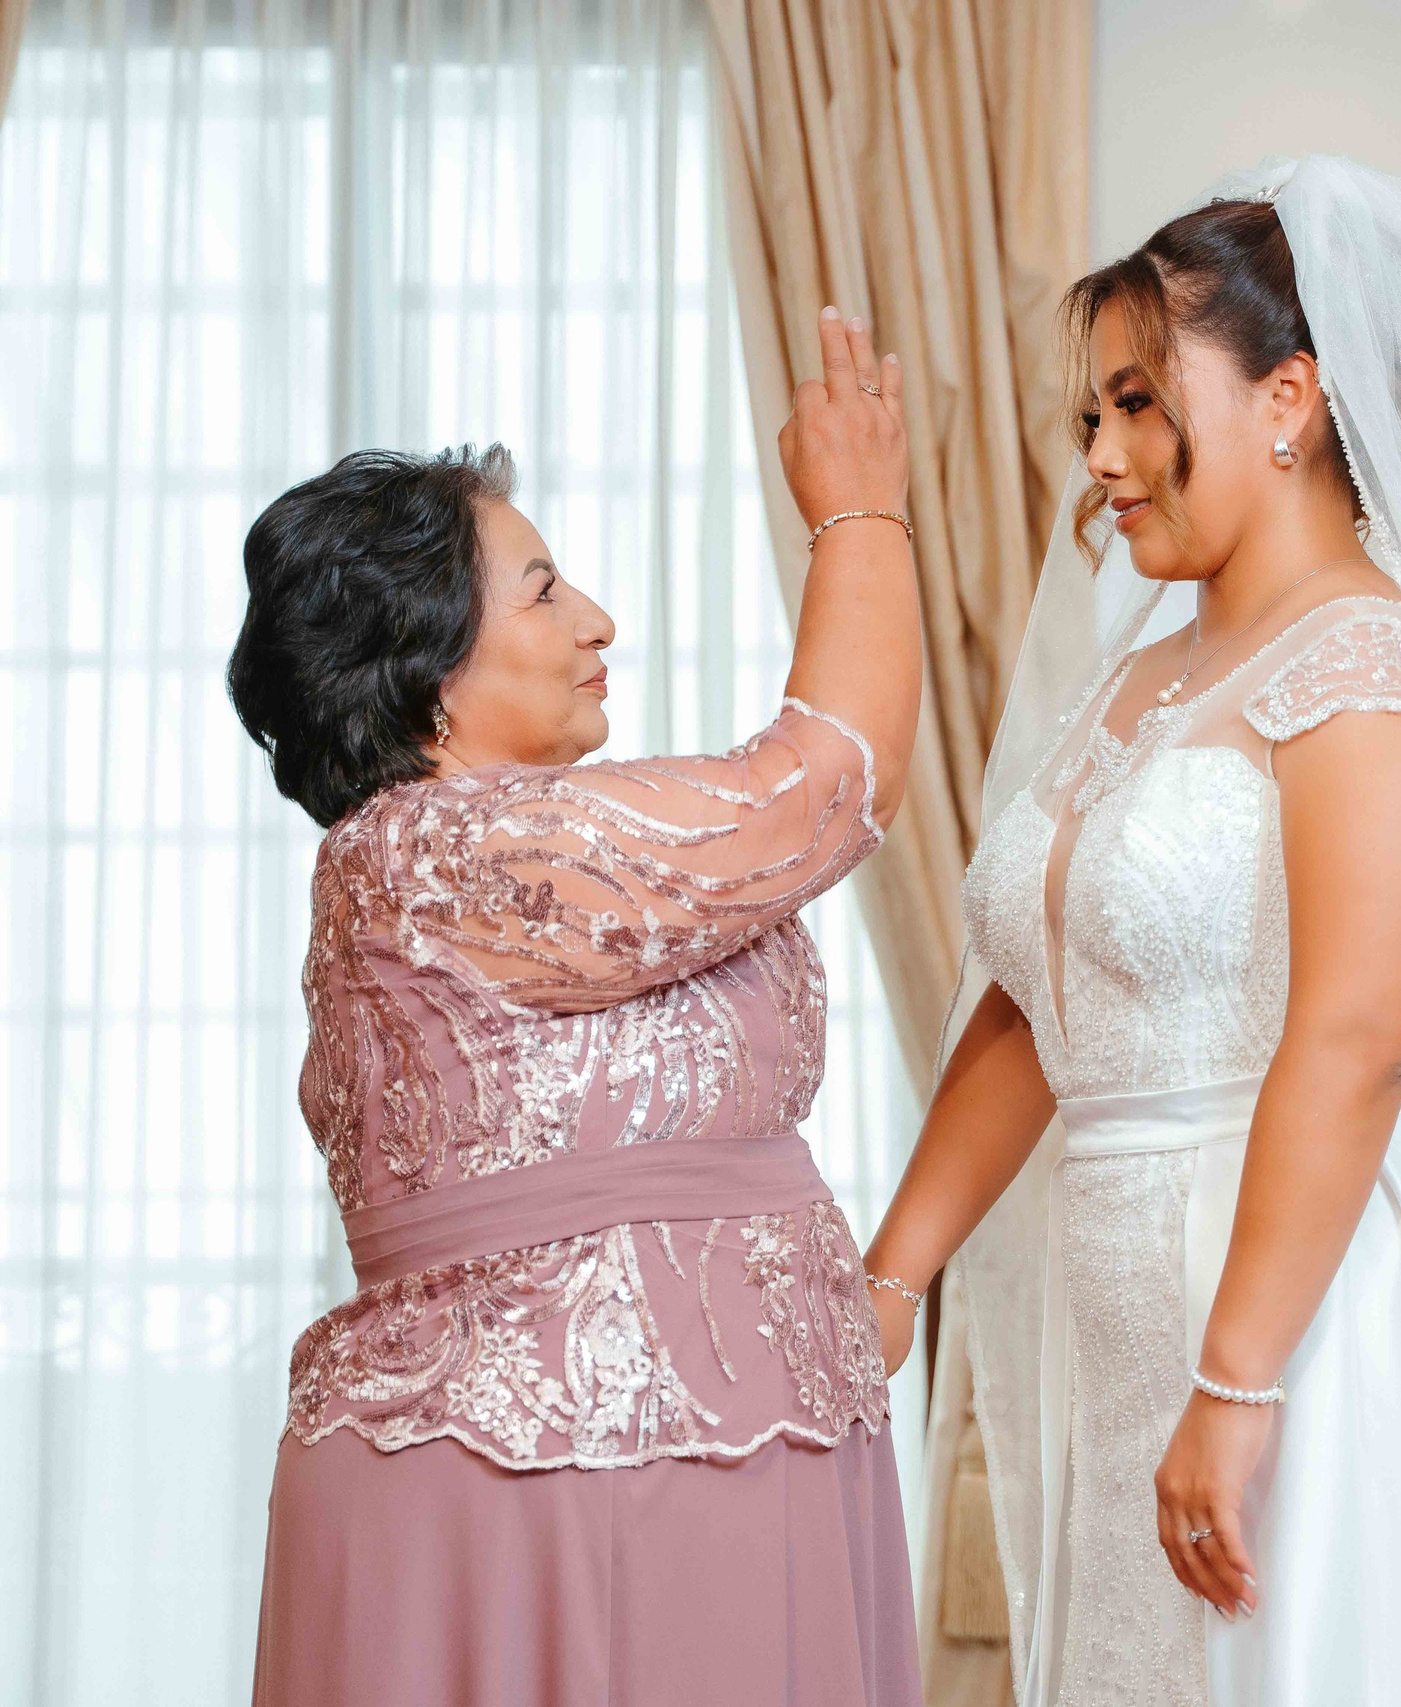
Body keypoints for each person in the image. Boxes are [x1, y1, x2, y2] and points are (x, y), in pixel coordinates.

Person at [858, 156, 1401, 1706]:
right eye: (1093, 416)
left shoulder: (1373, 671)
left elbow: (1358, 1037)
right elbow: (1037, 1007)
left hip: (1327, 1300)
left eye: (1143, 404)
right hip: (1135, 1300)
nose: (1106, 456)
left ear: (1290, 402)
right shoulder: (1135, 679)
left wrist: (1238, 1376)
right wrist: (886, 1279)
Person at [230, 308, 924, 1706]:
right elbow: (827, 786)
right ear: (427, 670)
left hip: (726, 1458)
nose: (598, 618)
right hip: (551, 1481)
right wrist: (858, 513)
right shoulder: (435, 852)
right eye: (544, 592)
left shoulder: (522, 838)